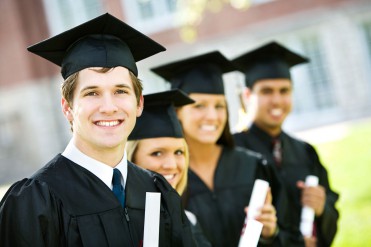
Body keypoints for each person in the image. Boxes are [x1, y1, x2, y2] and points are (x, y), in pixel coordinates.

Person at [0, 13, 195, 246]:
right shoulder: (35, 202)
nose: (109, 107)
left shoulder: (157, 191)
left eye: (120, 91)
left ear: (139, 103)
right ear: (67, 107)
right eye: (92, 93)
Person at [151, 51, 303, 247]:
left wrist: (269, 234)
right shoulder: (168, 175)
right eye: (199, 106)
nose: (212, 116)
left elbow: (292, 237)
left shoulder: (254, 166)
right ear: (178, 111)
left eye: (219, 106)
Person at [231, 41, 339, 247]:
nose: (277, 100)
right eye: (266, 91)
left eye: (284, 91)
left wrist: (322, 207)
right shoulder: (233, 151)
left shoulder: (305, 151)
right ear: (247, 96)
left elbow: (332, 211)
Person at [126, 89, 212, 247]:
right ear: (131, 159)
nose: (172, 165)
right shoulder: (115, 226)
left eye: (179, 152)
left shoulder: (188, 221)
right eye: (157, 153)